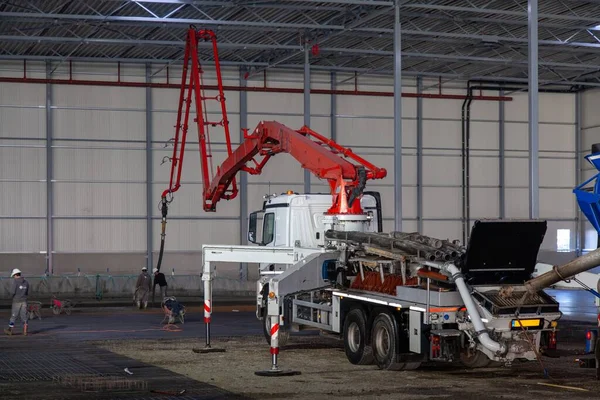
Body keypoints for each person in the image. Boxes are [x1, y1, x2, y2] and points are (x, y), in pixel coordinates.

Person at [4, 269, 29, 336]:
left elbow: (12, 292)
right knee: (24, 316)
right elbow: (27, 292)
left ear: (15, 275)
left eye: (14, 275)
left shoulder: (15, 282)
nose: (13, 277)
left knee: (13, 316)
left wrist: (10, 296)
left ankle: (10, 330)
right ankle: (25, 330)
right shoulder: (26, 282)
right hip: (24, 301)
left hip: (16, 301)